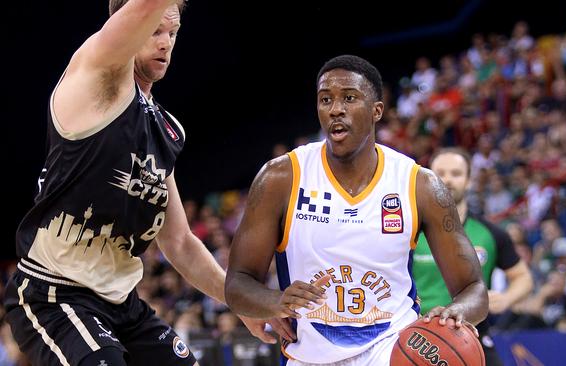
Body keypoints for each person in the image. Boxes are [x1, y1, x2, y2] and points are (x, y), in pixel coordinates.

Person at [3, 1, 267, 365]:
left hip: (123, 304)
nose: (165, 43)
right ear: (126, 24)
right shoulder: (97, 74)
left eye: (172, 33)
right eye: (155, 30)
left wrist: (241, 302)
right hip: (55, 294)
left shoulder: (167, 129)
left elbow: (180, 242)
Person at [225, 55, 488, 365]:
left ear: (377, 110)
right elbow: (237, 283)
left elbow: (474, 290)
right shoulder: (281, 178)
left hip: (391, 349)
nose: (336, 108)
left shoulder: (419, 184)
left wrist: (459, 311)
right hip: (309, 355)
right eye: (326, 99)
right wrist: (275, 301)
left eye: (349, 98)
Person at [413, 148, 533, 366]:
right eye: (440, 173)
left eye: (456, 174)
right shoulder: (409, 231)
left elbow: (523, 277)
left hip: (472, 335)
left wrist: (506, 298)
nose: (447, 179)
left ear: (469, 181)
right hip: (418, 338)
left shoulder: (490, 233)